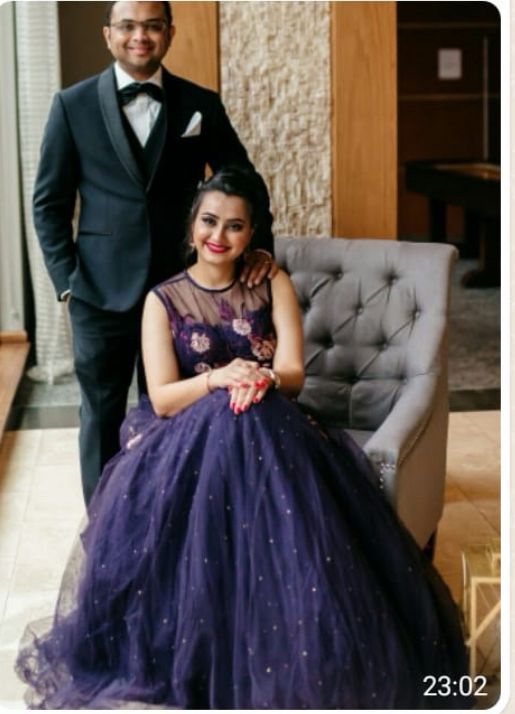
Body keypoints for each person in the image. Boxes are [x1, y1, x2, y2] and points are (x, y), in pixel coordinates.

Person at [17, 166, 473, 710]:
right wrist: (220, 378)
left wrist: (262, 378)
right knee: (224, 422)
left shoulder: (270, 282)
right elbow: (162, 398)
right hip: (186, 436)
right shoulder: (162, 300)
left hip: (271, 422)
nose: (219, 235)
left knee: (253, 425)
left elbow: (293, 374)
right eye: (209, 222)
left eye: (235, 226)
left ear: (251, 233)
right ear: (191, 227)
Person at [33, 0, 275, 504]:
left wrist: (257, 250)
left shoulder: (200, 104)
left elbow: (245, 183)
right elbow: (49, 205)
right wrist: (67, 283)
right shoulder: (71, 106)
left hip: (181, 293)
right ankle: (104, 524)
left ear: (169, 33)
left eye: (152, 26)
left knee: (175, 410)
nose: (139, 36)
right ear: (108, 34)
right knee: (101, 415)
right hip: (98, 292)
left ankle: (167, 517)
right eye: (127, 26)